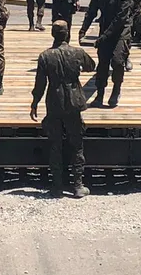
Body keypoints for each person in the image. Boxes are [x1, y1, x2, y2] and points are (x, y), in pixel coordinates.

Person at [30, 20, 96, 198]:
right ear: (67, 34)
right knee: (77, 144)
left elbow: (40, 84)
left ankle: (57, 186)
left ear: (52, 34)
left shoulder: (45, 56)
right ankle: (77, 185)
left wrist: (35, 102)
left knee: (55, 145)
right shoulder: (77, 52)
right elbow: (92, 66)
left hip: (54, 102)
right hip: (74, 101)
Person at [79, 0, 131, 108]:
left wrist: (104, 37)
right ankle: (100, 94)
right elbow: (91, 11)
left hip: (121, 31)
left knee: (117, 61)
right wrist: (83, 29)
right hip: (105, 28)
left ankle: (116, 90)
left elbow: (120, 19)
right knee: (102, 64)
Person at [112, 0, 139, 72]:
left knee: (127, 35)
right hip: (113, 10)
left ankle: (126, 57)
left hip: (127, 10)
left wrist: (132, 3)